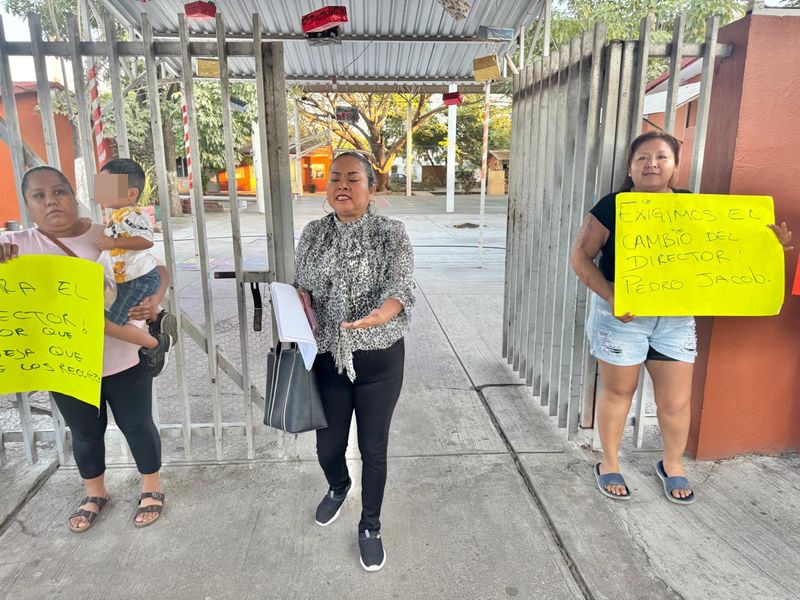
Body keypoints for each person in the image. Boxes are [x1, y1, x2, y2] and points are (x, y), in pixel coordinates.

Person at [570, 131, 791, 504]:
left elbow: (723, 250)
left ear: (674, 167)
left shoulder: (693, 206)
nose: (652, 164)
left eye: (661, 157)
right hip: (622, 319)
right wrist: (614, 297)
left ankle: (673, 465)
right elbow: (580, 258)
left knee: (675, 402)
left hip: (674, 321)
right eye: (643, 157)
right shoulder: (611, 206)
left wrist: (770, 246)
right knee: (619, 392)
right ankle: (609, 462)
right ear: (630, 166)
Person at [0, 165, 170, 530]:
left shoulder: (107, 233)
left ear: (73, 195)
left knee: (137, 424)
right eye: (39, 195)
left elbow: (157, 270)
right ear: (28, 204)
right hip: (65, 364)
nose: (51, 202)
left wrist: (154, 300)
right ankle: (94, 492)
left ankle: (151, 488)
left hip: (122, 358)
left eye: (59, 192)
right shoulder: (16, 248)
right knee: (84, 432)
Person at [294, 152, 415, 572]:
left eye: (352, 179)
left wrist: (383, 313)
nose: (342, 186)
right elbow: (302, 287)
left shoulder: (391, 233)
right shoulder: (312, 234)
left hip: (379, 355)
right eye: (335, 179)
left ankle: (370, 525)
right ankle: (338, 485)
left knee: (373, 447)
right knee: (327, 445)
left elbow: (402, 285)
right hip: (328, 355)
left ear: (371, 188)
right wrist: (295, 306)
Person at [94, 158, 175, 376]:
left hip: (138, 279)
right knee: (123, 315)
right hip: (129, 278)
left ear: (130, 194)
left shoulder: (135, 215)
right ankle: (155, 322)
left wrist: (114, 243)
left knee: (111, 321)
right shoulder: (117, 216)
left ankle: (156, 343)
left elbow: (146, 241)